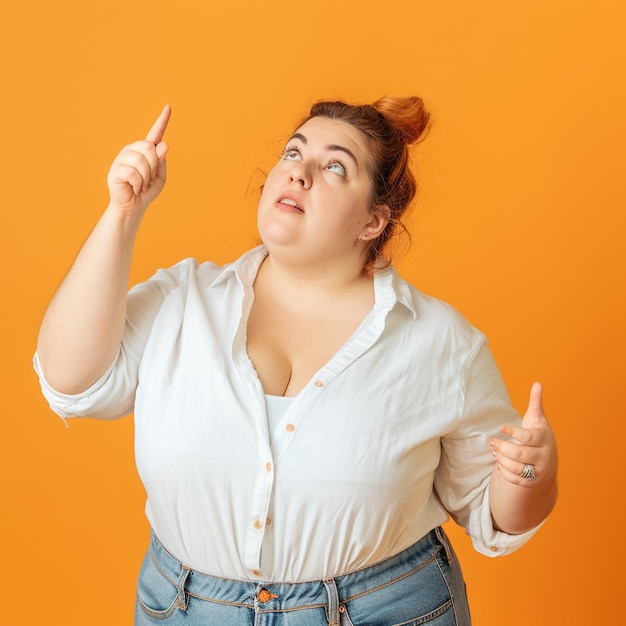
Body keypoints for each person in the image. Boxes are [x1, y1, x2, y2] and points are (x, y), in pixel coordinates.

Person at [34, 97, 558, 626]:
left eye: (335, 166)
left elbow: (494, 518)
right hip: (186, 610)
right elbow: (72, 382)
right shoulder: (182, 299)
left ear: (374, 221)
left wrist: (533, 475)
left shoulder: (442, 343)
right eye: (293, 152)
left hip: (386, 610)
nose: (299, 173)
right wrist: (123, 212)